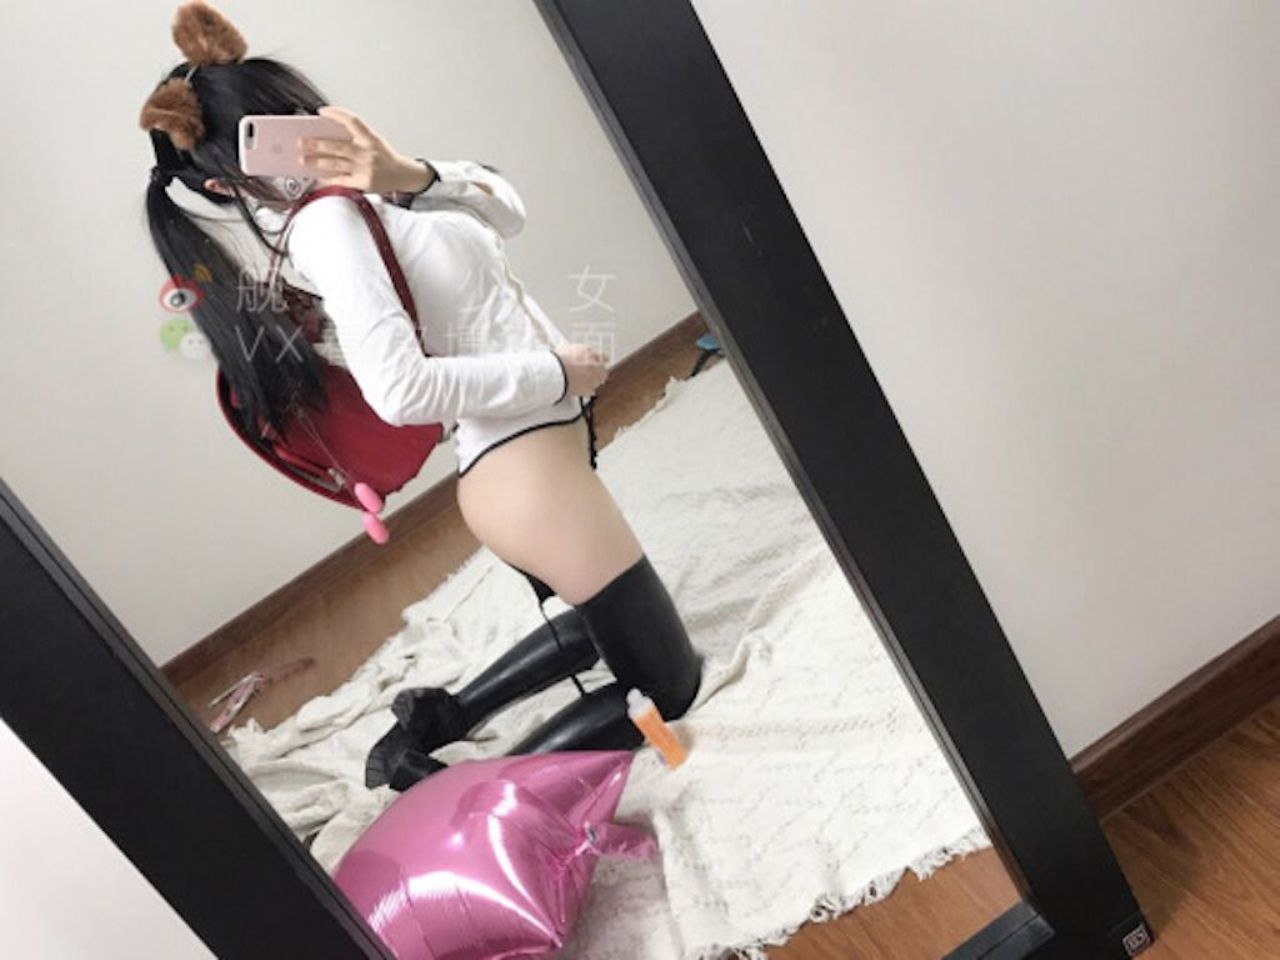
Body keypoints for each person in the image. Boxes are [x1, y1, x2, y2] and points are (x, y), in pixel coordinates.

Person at [139, 0, 703, 791]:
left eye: (296, 114)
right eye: (270, 137)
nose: (303, 137)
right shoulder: (325, 229)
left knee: (607, 623)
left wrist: (407, 174)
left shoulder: (367, 193)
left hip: (534, 454)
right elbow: (400, 389)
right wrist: (555, 374)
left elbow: (508, 213)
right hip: (523, 467)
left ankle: (444, 716)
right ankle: (458, 790)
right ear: (226, 179)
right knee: (670, 682)